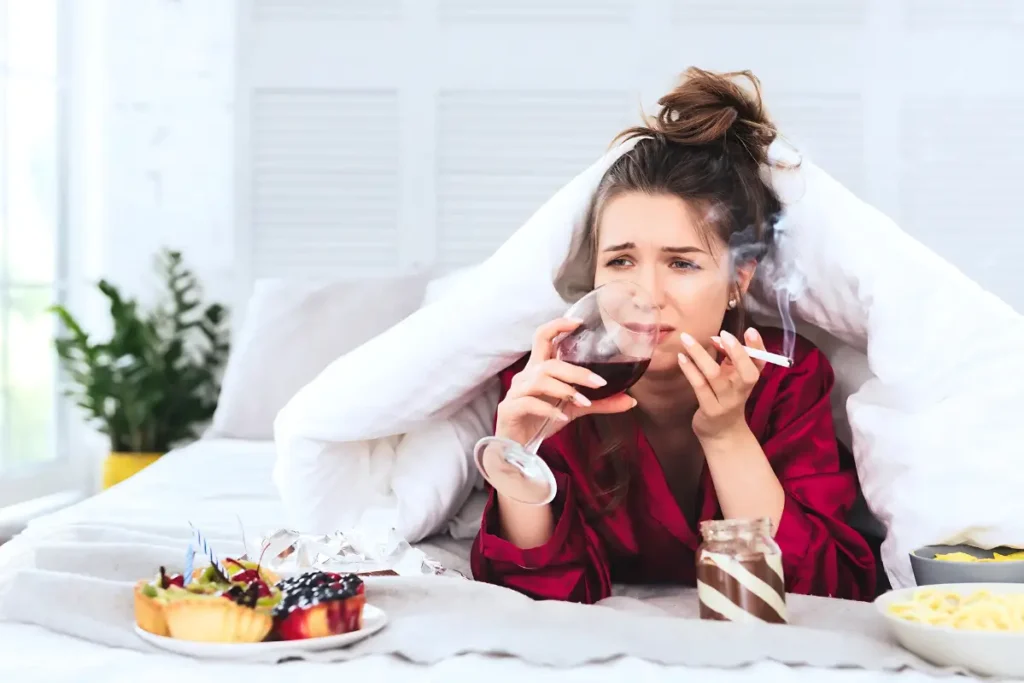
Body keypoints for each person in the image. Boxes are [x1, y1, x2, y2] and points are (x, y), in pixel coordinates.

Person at [469, 67, 878, 604]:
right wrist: (519, 454)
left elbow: (822, 590)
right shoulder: (559, 378)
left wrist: (727, 433)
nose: (646, 293)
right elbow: (542, 595)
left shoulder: (786, 377)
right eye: (620, 261)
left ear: (739, 280)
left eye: (682, 263)